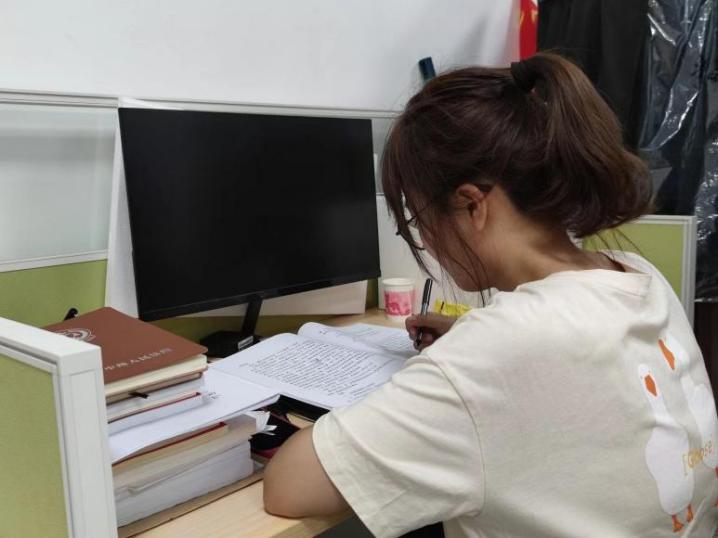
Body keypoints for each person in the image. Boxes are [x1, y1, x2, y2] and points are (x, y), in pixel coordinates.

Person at [263, 52, 718, 537]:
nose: (425, 241)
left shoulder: (501, 345)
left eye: (417, 219)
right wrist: (469, 338)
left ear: (471, 205)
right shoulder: (637, 276)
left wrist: (469, 356)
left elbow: (288, 487)